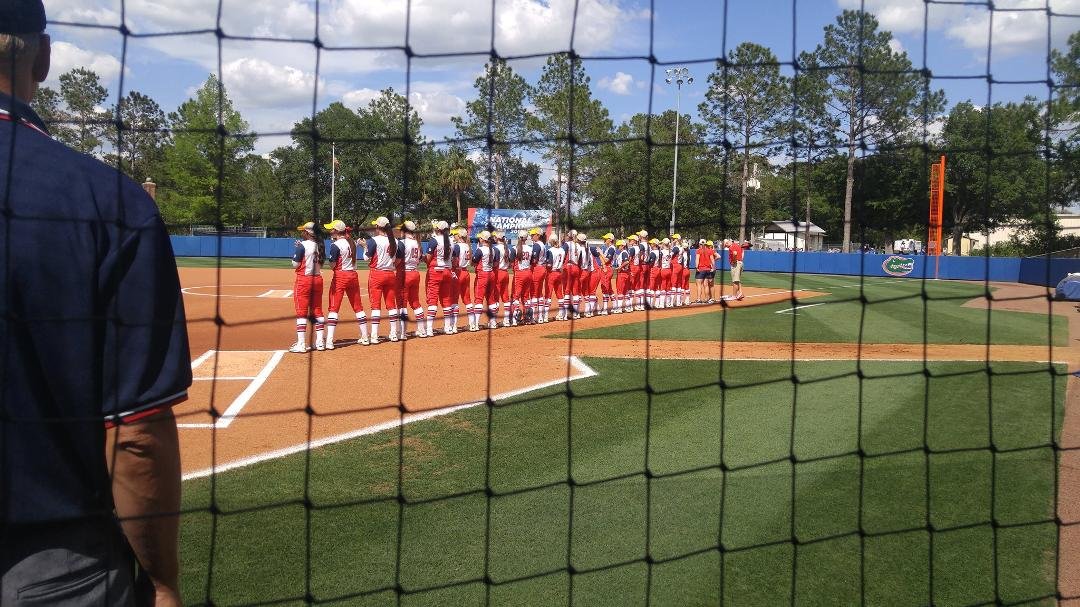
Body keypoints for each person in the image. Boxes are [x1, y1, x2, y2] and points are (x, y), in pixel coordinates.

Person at [2, 2, 189, 604]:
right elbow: (136, 435)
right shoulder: (106, 200)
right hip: (53, 566)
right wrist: (163, 583)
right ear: (43, 57)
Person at [324, 219, 368, 348]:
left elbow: (332, 264)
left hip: (340, 276)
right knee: (358, 306)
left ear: (337, 231)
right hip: (352, 275)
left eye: (332, 229)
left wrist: (333, 266)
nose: (330, 231)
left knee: (333, 307)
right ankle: (365, 336)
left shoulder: (336, 245)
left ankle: (329, 341)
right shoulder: (351, 243)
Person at [291, 222, 326, 352]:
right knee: (318, 310)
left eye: (303, 231)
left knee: (302, 312)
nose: (302, 233)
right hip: (317, 279)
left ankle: (301, 344)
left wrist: (298, 249)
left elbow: (295, 264)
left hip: (304, 280)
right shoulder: (320, 245)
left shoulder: (303, 245)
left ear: (307, 232)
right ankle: (320, 342)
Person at [365, 216, 399, 343]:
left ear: (378, 227)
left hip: (377, 274)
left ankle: (374, 336)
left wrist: (364, 246)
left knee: (375, 306)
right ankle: (394, 334)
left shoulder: (374, 240)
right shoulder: (395, 241)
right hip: (390, 274)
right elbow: (396, 260)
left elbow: (366, 258)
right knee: (391, 305)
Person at [424, 220, 456, 337]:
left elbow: (428, 258)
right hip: (447, 271)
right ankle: (448, 328)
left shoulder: (434, 240)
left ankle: (429, 329)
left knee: (432, 299)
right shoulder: (452, 241)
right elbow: (454, 259)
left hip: (436, 271)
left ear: (437, 229)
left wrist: (423, 258)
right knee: (446, 299)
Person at [395, 220, 424, 339]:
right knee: (415, 302)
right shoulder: (417, 243)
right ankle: (422, 330)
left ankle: (402, 333)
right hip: (415, 273)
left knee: (402, 304)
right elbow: (420, 259)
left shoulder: (402, 243)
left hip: (404, 274)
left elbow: (397, 260)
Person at [471, 231, 500, 331]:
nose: (479, 239)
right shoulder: (494, 250)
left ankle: (476, 324)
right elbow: (495, 264)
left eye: (480, 238)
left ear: (483, 239)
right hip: (491, 274)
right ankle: (493, 322)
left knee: (479, 298)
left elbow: (473, 262)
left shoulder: (480, 249)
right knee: (491, 298)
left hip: (483, 274)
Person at [529, 228, 550, 323]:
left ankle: (533, 317)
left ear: (538, 235)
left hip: (537, 269)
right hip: (542, 269)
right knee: (539, 293)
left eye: (533, 235)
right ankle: (540, 317)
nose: (531, 236)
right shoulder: (543, 244)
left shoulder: (537, 245)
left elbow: (534, 260)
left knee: (534, 293)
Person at [546, 234, 567, 321]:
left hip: (552, 273)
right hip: (559, 273)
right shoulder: (562, 250)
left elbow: (549, 264)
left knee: (548, 294)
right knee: (559, 294)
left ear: (551, 241)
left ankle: (545, 316)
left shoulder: (550, 250)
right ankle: (561, 314)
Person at [599, 233, 616, 315]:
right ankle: (615, 307)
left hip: (607, 268)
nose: (604, 240)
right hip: (607, 268)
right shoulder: (609, 248)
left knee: (605, 288)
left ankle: (605, 309)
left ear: (610, 240)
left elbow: (606, 260)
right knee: (609, 288)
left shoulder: (611, 248)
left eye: (606, 239)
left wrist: (600, 252)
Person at [695, 239, 715, 304]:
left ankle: (698, 299)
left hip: (701, 269)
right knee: (706, 285)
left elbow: (697, 259)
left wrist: (696, 267)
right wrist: (713, 267)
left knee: (699, 285)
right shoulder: (709, 250)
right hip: (708, 269)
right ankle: (706, 298)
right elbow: (712, 259)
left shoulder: (698, 250)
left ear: (700, 244)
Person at [614, 239, 631, 313]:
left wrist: (619, 267)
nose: (618, 247)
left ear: (622, 246)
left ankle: (619, 308)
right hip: (626, 273)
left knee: (620, 291)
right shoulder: (625, 252)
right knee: (625, 291)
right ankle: (628, 307)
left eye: (618, 246)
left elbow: (626, 261)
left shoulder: (624, 252)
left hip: (622, 273)